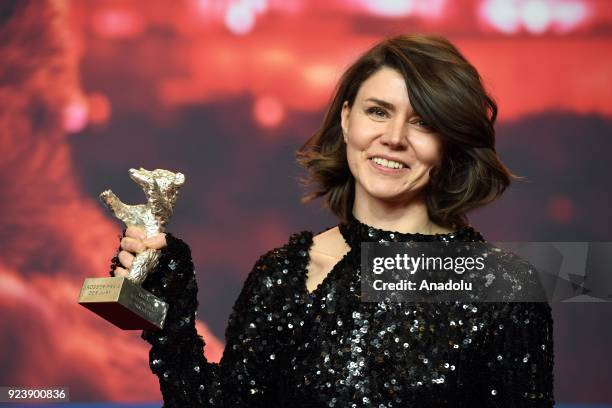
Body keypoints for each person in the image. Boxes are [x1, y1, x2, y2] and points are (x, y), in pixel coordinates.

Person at [109, 34, 554, 407]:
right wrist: (168, 318)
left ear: (451, 142)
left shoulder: (502, 286)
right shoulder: (282, 273)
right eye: (377, 111)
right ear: (346, 120)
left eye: (423, 122)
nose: (393, 138)